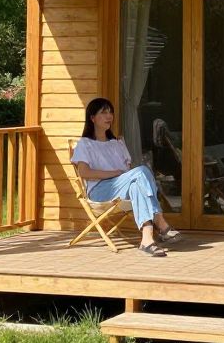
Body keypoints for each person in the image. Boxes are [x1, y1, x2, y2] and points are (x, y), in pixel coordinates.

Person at [71, 97, 181, 257]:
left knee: (137, 184)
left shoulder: (117, 143)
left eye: (110, 112)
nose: (109, 116)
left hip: (122, 187)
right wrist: (114, 173)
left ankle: (147, 239)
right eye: (104, 112)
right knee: (142, 171)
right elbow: (84, 173)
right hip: (100, 191)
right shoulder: (85, 144)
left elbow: (130, 173)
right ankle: (160, 221)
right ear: (92, 118)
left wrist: (122, 175)